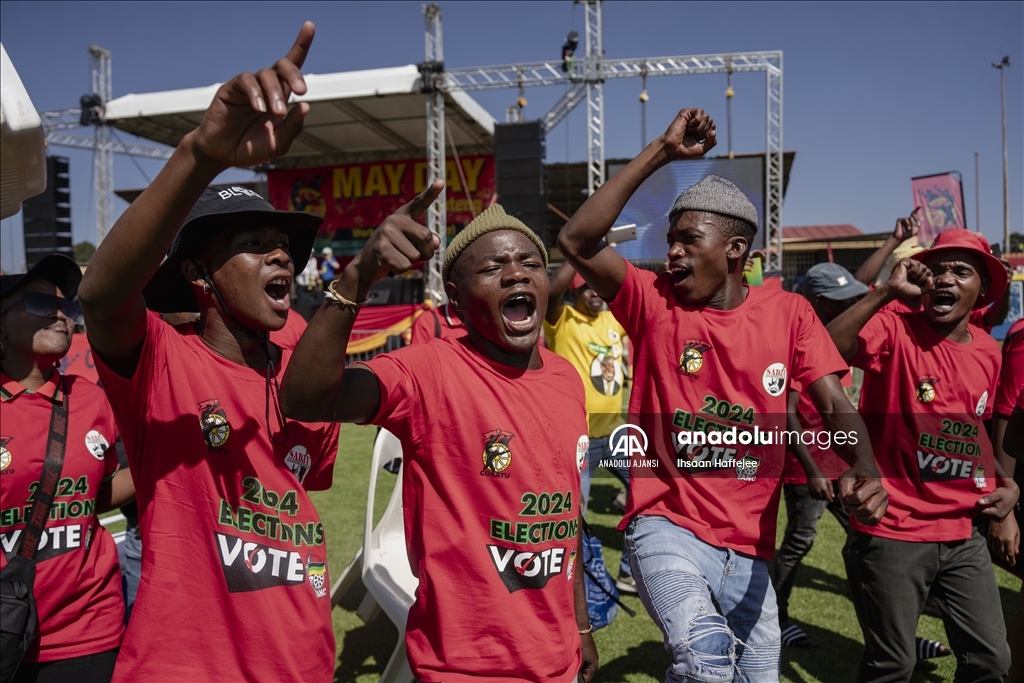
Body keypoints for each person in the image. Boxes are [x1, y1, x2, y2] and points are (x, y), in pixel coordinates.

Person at [557, 108, 888, 683]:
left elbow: (834, 402)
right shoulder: (652, 300)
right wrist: (662, 152)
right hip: (665, 528)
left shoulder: (789, 314)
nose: (673, 253)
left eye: (688, 239)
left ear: (735, 250)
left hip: (751, 548)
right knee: (706, 658)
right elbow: (577, 238)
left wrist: (863, 465)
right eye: (669, 240)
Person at [77, 24, 342, 682]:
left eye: (286, 245)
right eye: (255, 241)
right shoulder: (162, 361)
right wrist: (203, 152)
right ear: (199, 275)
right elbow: (104, 295)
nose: (282, 253)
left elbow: (290, 507)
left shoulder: (306, 384)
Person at [280, 201, 599, 682]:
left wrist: (580, 624)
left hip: (557, 662)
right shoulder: (428, 371)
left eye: (530, 263)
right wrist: (358, 277)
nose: (515, 274)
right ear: (456, 301)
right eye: (493, 268)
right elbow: (305, 398)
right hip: (463, 666)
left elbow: (567, 514)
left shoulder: (566, 379)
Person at [826, 227, 1014, 682]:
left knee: (992, 660)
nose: (946, 278)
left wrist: (1005, 493)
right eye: (939, 269)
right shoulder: (893, 326)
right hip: (894, 529)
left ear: (982, 290)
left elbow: (976, 434)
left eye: (961, 271)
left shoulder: (991, 352)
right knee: (894, 664)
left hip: (962, 532)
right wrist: (886, 291)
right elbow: (826, 348)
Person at [0, 254, 135, 683]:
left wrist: (169, 458)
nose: (61, 315)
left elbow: (91, 496)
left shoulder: (93, 398)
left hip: (89, 627)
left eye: (69, 308)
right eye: (41, 304)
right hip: (5, 625)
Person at [544, 265, 634, 592]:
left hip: (615, 434)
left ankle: (628, 575)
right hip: (576, 439)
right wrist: (578, 253)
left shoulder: (612, 321)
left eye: (598, 288)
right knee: (571, 517)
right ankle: (571, 586)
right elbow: (552, 292)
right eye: (587, 289)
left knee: (646, 494)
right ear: (575, 292)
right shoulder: (562, 320)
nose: (595, 294)